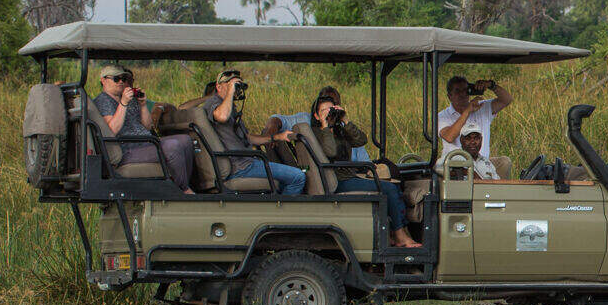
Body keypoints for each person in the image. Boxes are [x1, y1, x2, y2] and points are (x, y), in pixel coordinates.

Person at [309, 87, 420, 247]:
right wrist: (326, 126)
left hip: (348, 176)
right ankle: (400, 235)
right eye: (323, 110)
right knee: (388, 188)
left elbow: (360, 140)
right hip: (337, 180)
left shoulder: (338, 130)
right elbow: (331, 151)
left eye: (330, 109)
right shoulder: (318, 132)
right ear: (316, 115)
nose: (328, 113)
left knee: (393, 185)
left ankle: (396, 232)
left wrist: (345, 120)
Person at [202, 67, 308, 195]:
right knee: (298, 177)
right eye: (234, 85)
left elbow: (248, 138)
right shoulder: (213, 103)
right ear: (219, 87)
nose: (237, 89)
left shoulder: (231, 108)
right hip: (240, 166)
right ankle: (281, 214)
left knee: (290, 176)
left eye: (239, 86)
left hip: (248, 162)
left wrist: (277, 137)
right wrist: (230, 92)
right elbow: (222, 116)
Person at [93, 64, 193, 190]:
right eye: (116, 79)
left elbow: (147, 126)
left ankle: (186, 184)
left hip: (146, 142)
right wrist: (123, 104)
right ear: (103, 80)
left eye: (123, 79)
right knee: (173, 146)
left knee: (186, 140)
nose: (120, 82)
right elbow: (111, 130)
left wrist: (143, 105)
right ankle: (183, 190)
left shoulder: (131, 100)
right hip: (127, 148)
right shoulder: (102, 101)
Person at [436, 74, 513, 177]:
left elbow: (507, 100)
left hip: (481, 162)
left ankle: (501, 191)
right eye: (457, 91)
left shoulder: (482, 107)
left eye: (465, 90)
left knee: (505, 162)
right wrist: (467, 111)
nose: (462, 94)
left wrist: (491, 85)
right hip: (457, 166)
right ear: (449, 96)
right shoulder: (442, 116)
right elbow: (449, 137)